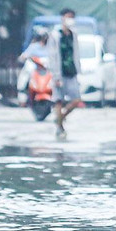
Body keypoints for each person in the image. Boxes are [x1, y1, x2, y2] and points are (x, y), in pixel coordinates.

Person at [51, 8, 82, 139]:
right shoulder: (55, 35)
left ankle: (60, 118)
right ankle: (60, 127)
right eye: (68, 16)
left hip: (71, 72)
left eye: (72, 17)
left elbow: (76, 53)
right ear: (62, 18)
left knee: (76, 100)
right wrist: (56, 76)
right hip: (59, 72)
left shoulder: (73, 34)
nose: (70, 19)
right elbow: (52, 56)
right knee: (58, 100)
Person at [17, 27, 51, 95]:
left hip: (46, 68)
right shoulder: (33, 46)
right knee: (28, 68)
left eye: (44, 37)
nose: (43, 39)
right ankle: (23, 88)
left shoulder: (50, 47)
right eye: (41, 37)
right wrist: (24, 57)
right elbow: (24, 56)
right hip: (35, 67)